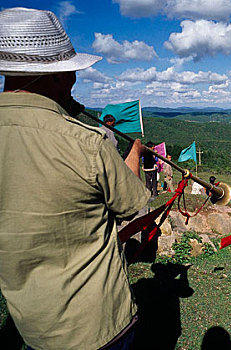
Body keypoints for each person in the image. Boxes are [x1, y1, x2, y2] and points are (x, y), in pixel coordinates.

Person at [0, 7, 151, 350]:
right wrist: (134, 155)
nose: (73, 79)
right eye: (70, 71)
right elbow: (130, 204)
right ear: (54, 76)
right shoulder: (85, 143)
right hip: (97, 324)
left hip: (32, 326)